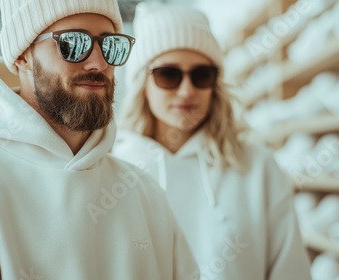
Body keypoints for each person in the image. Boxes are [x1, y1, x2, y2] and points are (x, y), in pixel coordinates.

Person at [0, 0, 198, 279]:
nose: (98, 63)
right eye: (73, 43)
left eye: (110, 45)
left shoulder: (144, 193)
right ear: (22, 54)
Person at [113, 3, 312, 280]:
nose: (186, 91)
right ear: (141, 83)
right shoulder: (115, 172)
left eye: (201, 75)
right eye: (168, 74)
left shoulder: (257, 167)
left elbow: (291, 272)